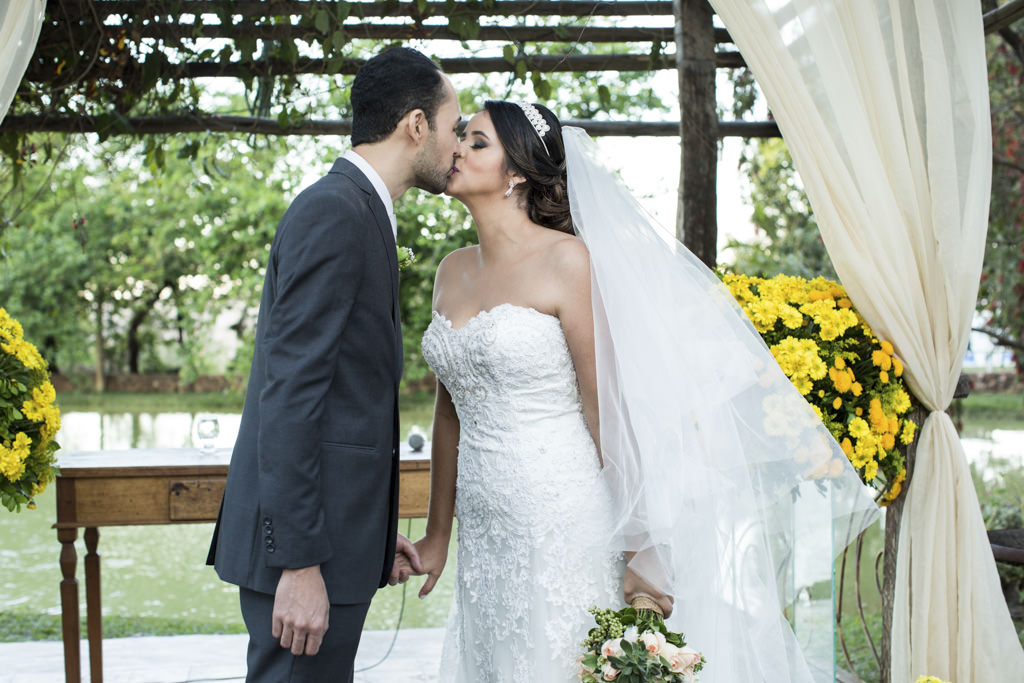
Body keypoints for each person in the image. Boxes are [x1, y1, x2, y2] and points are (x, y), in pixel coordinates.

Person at [393, 101, 879, 681]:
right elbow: (451, 411)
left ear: (517, 171)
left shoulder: (568, 262)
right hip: (485, 528)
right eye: (462, 138)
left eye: (477, 142)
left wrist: (642, 542)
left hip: (563, 516)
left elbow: (607, 409)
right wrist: (439, 533)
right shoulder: (451, 271)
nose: (456, 150)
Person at [206, 46, 462, 682]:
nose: (458, 146)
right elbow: (290, 394)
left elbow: (347, 404)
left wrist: (371, 535)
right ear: (415, 124)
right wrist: (298, 564)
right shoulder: (336, 211)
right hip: (302, 560)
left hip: (336, 545)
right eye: (455, 127)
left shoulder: (361, 210)